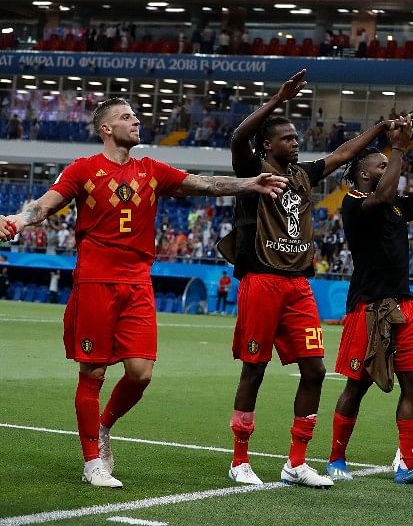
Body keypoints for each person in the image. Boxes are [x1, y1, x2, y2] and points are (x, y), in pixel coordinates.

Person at [0, 97, 287, 488]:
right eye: (126, 117)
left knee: (140, 372)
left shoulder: (151, 170)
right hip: (95, 281)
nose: (136, 120)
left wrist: (250, 183)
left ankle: (103, 428)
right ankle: (92, 462)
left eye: (136, 114)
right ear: (106, 128)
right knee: (94, 371)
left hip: (137, 282)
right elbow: (45, 207)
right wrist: (16, 220)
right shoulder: (83, 169)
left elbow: (202, 185)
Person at [222, 69, 386, 488]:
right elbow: (239, 137)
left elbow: (344, 154)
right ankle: (240, 460)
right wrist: (277, 100)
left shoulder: (302, 175)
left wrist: (380, 128)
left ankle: (296, 461)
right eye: (288, 139)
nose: (296, 144)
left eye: (296, 138)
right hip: (261, 279)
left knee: (314, 370)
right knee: (253, 371)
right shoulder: (251, 168)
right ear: (269, 145)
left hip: (298, 285)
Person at [326, 111, 413, 486]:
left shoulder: (396, 203)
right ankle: (336, 458)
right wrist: (397, 146)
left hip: (403, 305)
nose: (391, 166)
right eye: (382, 163)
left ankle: (409, 466)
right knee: (357, 384)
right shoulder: (354, 202)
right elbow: (381, 196)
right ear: (365, 172)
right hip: (368, 306)